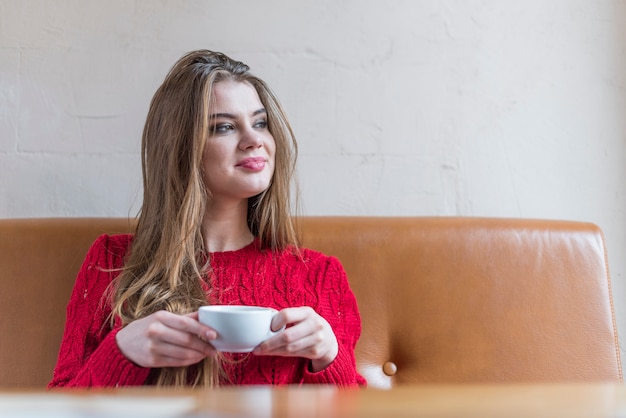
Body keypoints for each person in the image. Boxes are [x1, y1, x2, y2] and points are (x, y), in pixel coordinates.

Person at [48, 50, 366, 388]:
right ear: (182, 148)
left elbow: (358, 408)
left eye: (260, 123)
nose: (255, 140)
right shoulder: (112, 261)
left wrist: (329, 358)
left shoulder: (320, 276)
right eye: (225, 127)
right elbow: (59, 406)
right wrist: (121, 350)